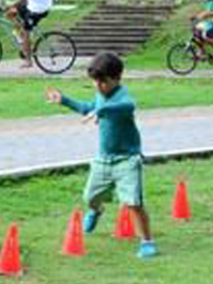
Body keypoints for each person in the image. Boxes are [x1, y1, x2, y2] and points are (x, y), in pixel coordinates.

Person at [44, 53, 158, 259]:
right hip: (103, 159)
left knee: (133, 203)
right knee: (90, 197)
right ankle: (97, 211)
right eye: (95, 81)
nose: (98, 86)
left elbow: (127, 106)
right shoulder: (100, 94)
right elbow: (88, 108)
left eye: (102, 82)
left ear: (116, 79)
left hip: (127, 159)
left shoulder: (122, 97)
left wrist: (102, 110)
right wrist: (64, 100)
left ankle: (147, 241)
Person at [6, 0, 53, 68]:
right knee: (11, 13)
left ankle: (28, 61)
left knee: (26, 32)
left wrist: (10, 4)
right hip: (33, 6)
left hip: (38, 9)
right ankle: (21, 34)